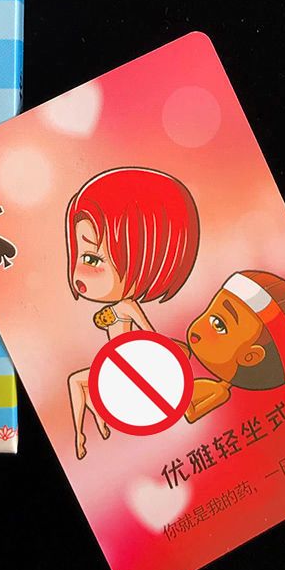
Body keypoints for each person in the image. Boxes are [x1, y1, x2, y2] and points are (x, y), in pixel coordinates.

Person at [65, 167, 200, 459]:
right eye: (79, 256)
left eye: (92, 259)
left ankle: (85, 431)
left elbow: (149, 333)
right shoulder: (115, 307)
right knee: (76, 381)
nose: (78, 272)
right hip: (117, 363)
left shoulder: (126, 305)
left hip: (129, 364)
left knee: (77, 381)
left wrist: (168, 357)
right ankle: (83, 432)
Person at [181, 270, 285, 422]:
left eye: (218, 325)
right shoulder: (184, 352)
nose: (199, 327)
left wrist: (176, 388)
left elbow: (190, 414)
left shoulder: (218, 392)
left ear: (250, 357)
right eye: (210, 314)